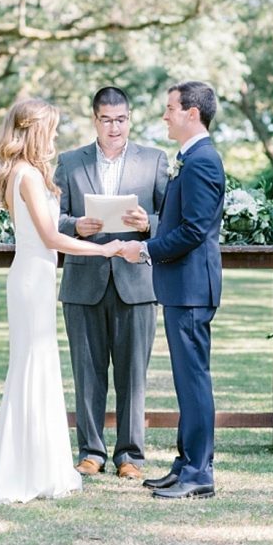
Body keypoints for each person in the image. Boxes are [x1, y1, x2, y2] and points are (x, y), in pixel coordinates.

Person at [0, 98, 123, 504]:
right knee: (32, 367)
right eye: (50, 128)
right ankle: (26, 469)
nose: (54, 136)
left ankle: (39, 464)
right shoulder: (26, 175)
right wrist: (106, 249)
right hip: (32, 278)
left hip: (37, 277)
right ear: (34, 130)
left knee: (39, 367)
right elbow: (50, 238)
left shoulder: (24, 172)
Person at [54, 86, 169, 481]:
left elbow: (172, 217)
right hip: (84, 281)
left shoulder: (154, 160)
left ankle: (131, 456)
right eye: (106, 119)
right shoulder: (69, 163)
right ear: (95, 120)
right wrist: (75, 226)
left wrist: (148, 224)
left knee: (133, 375)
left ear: (130, 118)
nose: (114, 126)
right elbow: (52, 217)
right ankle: (90, 452)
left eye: (121, 119)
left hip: (136, 283)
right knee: (87, 373)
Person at [120, 81, 225, 500]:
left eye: (170, 109)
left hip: (192, 288)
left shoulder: (201, 161)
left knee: (194, 379)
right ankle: (185, 463)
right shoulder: (192, 158)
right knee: (186, 380)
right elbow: (181, 220)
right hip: (183, 287)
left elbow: (196, 230)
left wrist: (144, 249)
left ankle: (200, 473)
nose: (165, 116)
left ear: (192, 113)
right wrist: (150, 226)